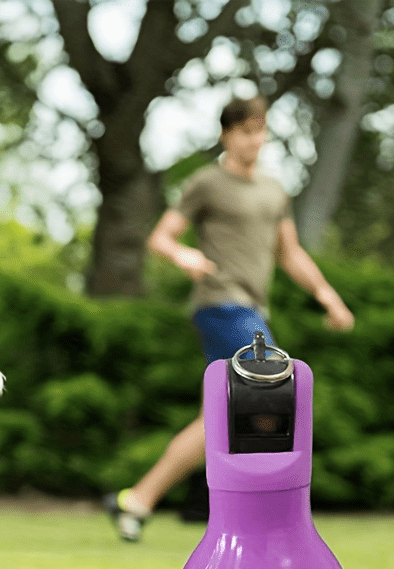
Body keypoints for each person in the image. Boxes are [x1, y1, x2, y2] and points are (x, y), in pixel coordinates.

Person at [104, 94, 355, 541]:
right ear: (226, 133)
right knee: (271, 389)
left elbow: (290, 253)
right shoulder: (206, 183)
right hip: (220, 303)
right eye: (245, 131)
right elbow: (161, 238)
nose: (254, 140)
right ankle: (264, 515)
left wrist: (327, 295)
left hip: (253, 308)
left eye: (260, 131)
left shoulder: (275, 191)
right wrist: (184, 256)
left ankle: (136, 501)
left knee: (217, 419)